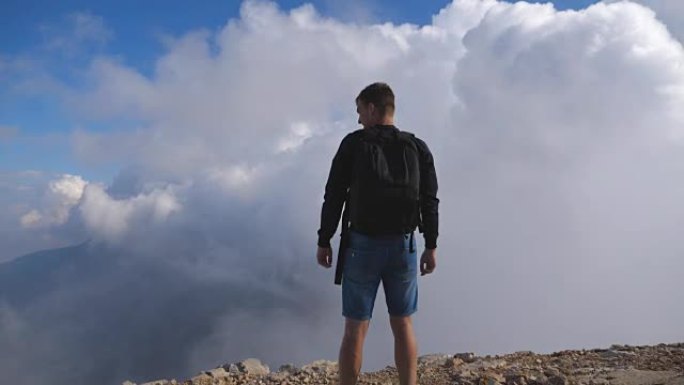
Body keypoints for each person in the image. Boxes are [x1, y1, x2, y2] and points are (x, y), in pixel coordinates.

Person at [316, 82, 439, 385]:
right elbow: (429, 199)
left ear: (372, 108)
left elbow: (334, 194)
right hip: (405, 245)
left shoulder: (353, 144)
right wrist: (431, 245)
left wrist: (324, 238)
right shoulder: (417, 146)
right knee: (403, 324)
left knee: (355, 329)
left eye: (359, 110)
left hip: (361, 246)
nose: (358, 118)